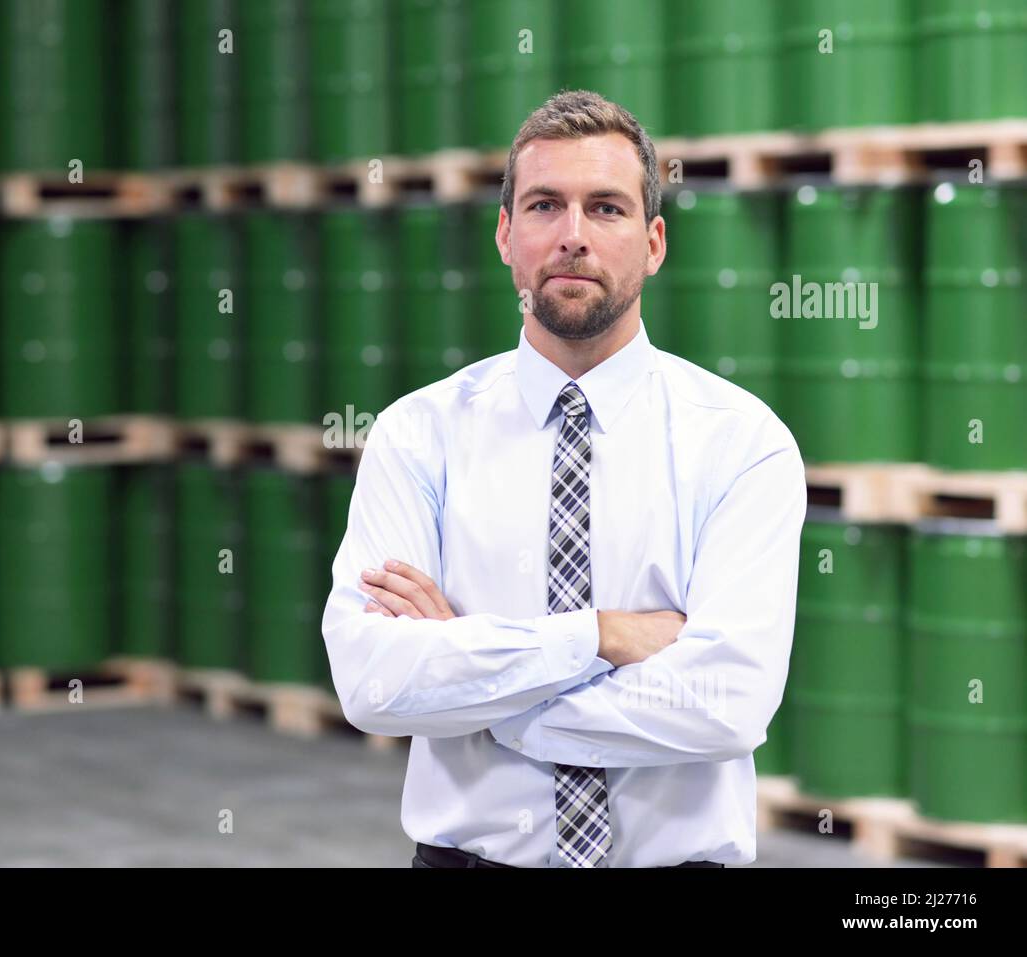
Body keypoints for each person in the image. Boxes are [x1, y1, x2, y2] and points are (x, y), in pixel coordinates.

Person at [320, 89, 807, 868]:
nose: (573, 236)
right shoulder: (417, 435)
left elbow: (728, 702)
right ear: (506, 235)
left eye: (606, 209)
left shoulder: (742, 443)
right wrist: (601, 635)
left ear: (653, 243)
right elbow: (375, 684)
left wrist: (483, 688)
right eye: (545, 205)